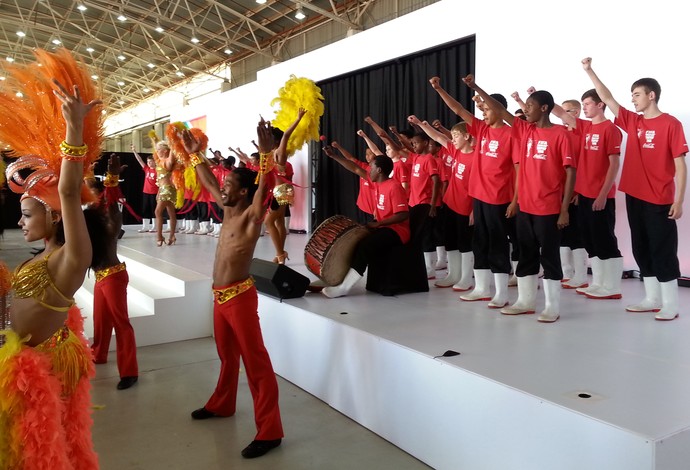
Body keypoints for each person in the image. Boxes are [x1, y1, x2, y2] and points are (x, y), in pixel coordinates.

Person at [0, 48, 102, 469]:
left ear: (54, 215)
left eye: (27, 215)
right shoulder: (37, 258)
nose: (21, 224)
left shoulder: (71, 259)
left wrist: (73, 127)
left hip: (37, 371)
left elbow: (66, 190)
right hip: (16, 360)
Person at [181, 118, 284, 459]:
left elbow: (264, 188)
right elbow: (209, 181)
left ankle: (270, 431)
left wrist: (267, 155)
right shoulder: (226, 211)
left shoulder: (251, 215)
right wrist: (196, 155)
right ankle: (222, 404)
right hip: (218, 296)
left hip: (239, 296)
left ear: (243, 192)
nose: (221, 190)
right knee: (227, 357)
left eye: (229, 187)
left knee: (256, 362)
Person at [582, 57, 687, 320]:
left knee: (662, 248)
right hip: (634, 196)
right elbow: (608, 98)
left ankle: (670, 304)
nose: (633, 100)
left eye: (637, 95)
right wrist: (589, 71)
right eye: (631, 95)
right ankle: (651, 298)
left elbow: (680, 165)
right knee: (640, 247)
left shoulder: (670, 123)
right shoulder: (634, 122)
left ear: (652, 95)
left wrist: (679, 199)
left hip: (659, 198)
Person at [465, 75, 576, 323]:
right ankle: (525, 302)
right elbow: (501, 111)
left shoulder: (560, 135)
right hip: (525, 206)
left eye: (529, 106)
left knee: (549, 256)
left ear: (544, 108)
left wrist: (564, 209)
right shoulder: (525, 129)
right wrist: (476, 89)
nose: (525, 110)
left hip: (548, 207)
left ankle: (551, 307)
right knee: (526, 254)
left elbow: (570, 171)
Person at [431, 76, 518, 306]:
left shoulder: (511, 134)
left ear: (499, 110)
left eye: (488, 109)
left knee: (498, 243)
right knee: (479, 242)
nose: (484, 114)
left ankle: (501, 293)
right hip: (479, 197)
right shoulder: (481, 129)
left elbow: (518, 170)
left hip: (499, 198)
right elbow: (458, 109)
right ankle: (481, 288)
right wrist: (439, 89)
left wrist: (515, 200)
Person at [552, 88, 624, 299]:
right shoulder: (585, 127)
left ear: (600, 105)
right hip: (584, 194)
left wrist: (603, 194)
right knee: (590, 239)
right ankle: (599, 283)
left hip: (601, 195)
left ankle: (612, 287)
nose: (584, 107)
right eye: (582, 104)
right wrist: (540, 95)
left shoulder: (610, 129)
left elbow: (614, 164)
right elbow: (562, 114)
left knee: (605, 239)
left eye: (587, 103)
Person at [321, 154, 410, 298]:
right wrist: (334, 156)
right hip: (383, 227)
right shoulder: (377, 183)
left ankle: (345, 287)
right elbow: (355, 169)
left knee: (365, 245)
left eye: (372, 168)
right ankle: (338, 279)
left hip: (397, 231)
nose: (368, 171)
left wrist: (379, 223)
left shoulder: (394, 187)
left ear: (379, 170)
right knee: (354, 240)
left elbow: (403, 215)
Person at [85, 155, 139, 390]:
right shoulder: (91, 216)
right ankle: (99, 354)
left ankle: (129, 371)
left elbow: (111, 203)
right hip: (101, 276)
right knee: (100, 321)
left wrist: (112, 181)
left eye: (87, 189)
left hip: (114, 276)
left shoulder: (110, 215)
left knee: (121, 323)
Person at [408, 115, 476, 291]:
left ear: (467, 137)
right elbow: (439, 137)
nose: (452, 139)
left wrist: (474, 210)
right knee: (450, 241)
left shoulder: (476, 158)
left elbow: (479, 185)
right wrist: (419, 124)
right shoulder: (456, 151)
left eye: (456, 136)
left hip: (466, 207)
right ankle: (453, 275)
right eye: (452, 136)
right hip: (450, 204)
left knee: (465, 243)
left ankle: (466, 278)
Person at [264, 108, 307, 264]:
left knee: (269, 222)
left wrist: (298, 118)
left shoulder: (280, 153)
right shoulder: (272, 153)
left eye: (269, 137)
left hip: (281, 191)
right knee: (279, 222)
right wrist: (267, 128)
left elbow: (286, 134)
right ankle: (280, 255)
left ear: (275, 140)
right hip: (280, 190)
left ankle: (280, 254)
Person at [153, 139, 178, 246]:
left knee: (158, 212)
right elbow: (160, 179)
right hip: (163, 189)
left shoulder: (168, 160)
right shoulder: (159, 161)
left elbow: (172, 154)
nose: (157, 151)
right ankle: (172, 235)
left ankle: (159, 236)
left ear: (164, 151)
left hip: (168, 189)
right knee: (171, 213)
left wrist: (173, 142)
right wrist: (158, 191)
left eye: (159, 149)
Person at [131, 144, 158, 233]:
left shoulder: (158, 170)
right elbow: (139, 160)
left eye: (151, 161)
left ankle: (155, 226)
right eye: (148, 161)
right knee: (145, 209)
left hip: (155, 193)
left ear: (155, 161)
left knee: (154, 209)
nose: (149, 163)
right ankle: (145, 226)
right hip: (146, 192)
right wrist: (134, 151)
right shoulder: (146, 169)